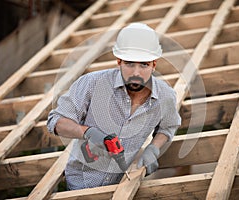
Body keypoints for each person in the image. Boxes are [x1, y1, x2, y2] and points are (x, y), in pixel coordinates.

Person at [47, 22, 181, 190]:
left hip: (122, 186)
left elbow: (168, 126)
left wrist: (154, 148)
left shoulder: (165, 96)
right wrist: (88, 132)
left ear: (154, 64)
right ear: (119, 62)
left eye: (144, 65)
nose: (136, 73)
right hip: (81, 184)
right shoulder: (91, 83)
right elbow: (56, 121)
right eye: (129, 64)